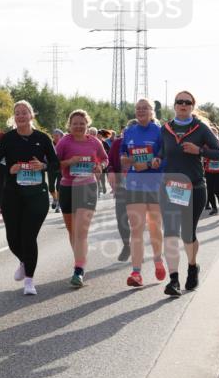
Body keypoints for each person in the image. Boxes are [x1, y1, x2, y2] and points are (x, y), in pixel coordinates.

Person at [0, 100, 58, 295]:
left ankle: (29, 280)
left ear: (31, 116)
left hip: (37, 195)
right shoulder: (5, 139)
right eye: (17, 113)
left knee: (28, 237)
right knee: (13, 238)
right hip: (12, 194)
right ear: (14, 117)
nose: (20, 116)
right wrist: (9, 168)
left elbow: (55, 164)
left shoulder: (43, 138)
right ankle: (23, 260)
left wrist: (43, 166)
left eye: (24, 112)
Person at [158, 91, 219, 296]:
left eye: (187, 102)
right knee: (170, 233)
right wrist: (157, 159)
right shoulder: (166, 129)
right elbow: (161, 150)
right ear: (175, 105)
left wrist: (200, 151)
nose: (183, 105)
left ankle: (193, 266)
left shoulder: (201, 128)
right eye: (180, 102)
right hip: (171, 188)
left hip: (194, 187)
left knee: (187, 233)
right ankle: (173, 280)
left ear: (193, 106)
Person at [55, 109, 108, 287]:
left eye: (82, 123)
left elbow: (104, 159)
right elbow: (55, 164)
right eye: (75, 123)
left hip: (87, 187)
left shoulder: (94, 142)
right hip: (67, 187)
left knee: (81, 231)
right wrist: (69, 162)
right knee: (72, 231)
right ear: (69, 126)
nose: (78, 126)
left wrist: (100, 166)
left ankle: (79, 269)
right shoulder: (64, 142)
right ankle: (79, 261)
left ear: (87, 125)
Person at [120, 99, 166, 287]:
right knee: (136, 229)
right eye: (138, 108)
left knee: (155, 226)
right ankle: (136, 272)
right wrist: (129, 161)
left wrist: (150, 163)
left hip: (155, 185)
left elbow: (165, 157)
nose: (141, 111)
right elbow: (123, 156)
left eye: (144, 108)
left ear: (151, 111)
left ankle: (158, 260)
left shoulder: (160, 132)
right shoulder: (129, 132)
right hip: (134, 185)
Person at [106, 127, 131, 261]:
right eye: (124, 134)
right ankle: (127, 245)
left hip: (142, 188)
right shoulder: (117, 144)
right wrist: (110, 170)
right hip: (122, 187)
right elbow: (109, 161)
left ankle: (139, 249)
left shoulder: (143, 144)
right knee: (121, 220)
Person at [203, 125, 219, 215]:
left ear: (217, 133)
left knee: (218, 190)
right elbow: (203, 155)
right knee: (210, 190)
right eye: (211, 132)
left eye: (214, 132)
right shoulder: (206, 145)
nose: (213, 134)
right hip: (209, 171)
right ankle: (214, 208)